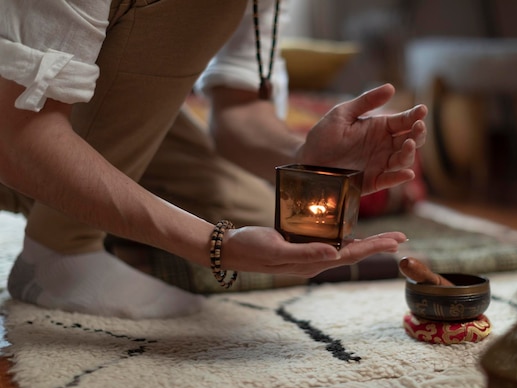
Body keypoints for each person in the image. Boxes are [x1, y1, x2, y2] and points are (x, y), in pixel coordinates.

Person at [0, 0, 428, 319]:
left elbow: (239, 111)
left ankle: (64, 194)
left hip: (50, 104)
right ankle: (60, 251)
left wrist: (302, 158)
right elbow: (16, 130)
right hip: (13, 111)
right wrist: (212, 245)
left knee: (267, 217)